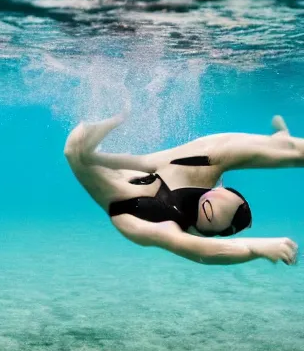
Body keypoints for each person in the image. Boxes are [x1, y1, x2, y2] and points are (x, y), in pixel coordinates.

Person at [65, 113, 300, 265]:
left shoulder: (144, 223)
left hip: (133, 189)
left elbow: (203, 250)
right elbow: (143, 161)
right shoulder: (191, 177)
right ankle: (284, 145)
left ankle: (284, 145)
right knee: (80, 152)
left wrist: (257, 248)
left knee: (76, 151)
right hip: (165, 178)